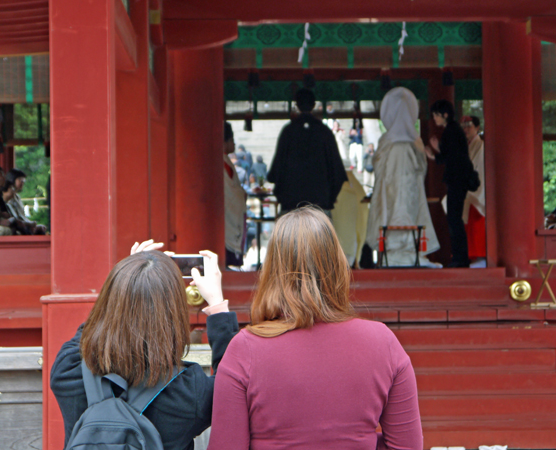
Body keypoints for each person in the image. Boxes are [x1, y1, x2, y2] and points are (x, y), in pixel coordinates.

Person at [207, 208, 422, 450]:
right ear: (338, 266)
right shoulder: (383, 342)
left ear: (271, 272)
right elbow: (406, 446)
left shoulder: (245, 349)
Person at [51, 243, 238, 450]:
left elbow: (91, 331)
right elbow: (233, 385)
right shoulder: (189, 393)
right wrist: (218, 305)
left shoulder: (68, 370)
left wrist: (128, 278)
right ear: (173, 313)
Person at [367, 87, 440, 267]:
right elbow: (422, 169)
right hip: (410, 192)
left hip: (389, 192)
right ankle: (407, 251)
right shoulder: (414, 141)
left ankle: (393, 253)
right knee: (409, 215)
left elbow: (377, 167)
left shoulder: (386, 141)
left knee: (390, 215)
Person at [267, 88, 347, 215]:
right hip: (320, 205)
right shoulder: (324, 132)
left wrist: (284, 196)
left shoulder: (288, 131)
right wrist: (328, 199)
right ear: (314, 105)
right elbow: (338, 173)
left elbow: (275, 173)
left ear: (297, 105)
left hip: (291, 205)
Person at [425, 99, 474, 267]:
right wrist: (438, 149)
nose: (435, 119)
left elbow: (452, 157)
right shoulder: (452, 130)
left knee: (454, 219)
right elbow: (452, 154)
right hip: (458, 180)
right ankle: (459, 257)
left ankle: (460, 258)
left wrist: (434, 155)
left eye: (436, 115)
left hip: (457, 180)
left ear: (445, 115)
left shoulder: (452, 131)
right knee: (454, 219)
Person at [460, 116, 486, 265]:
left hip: (476, 194)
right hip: (466, 193)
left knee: (476, 226)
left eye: (469, 126)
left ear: (477, 128)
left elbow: (479, 171)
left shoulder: (480, 146)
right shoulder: (466, 146)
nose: (465, 129)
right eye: (463, 126)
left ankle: (479, 259)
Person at [224, 122, 247, 267]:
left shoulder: (225, 161)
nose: (234, 143)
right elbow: (232, 192)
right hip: (227, 217)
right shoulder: (222, 162)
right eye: (232, 139)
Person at [5, 168, 47, 235]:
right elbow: (16, 218)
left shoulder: (17, 197)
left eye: (23, 180)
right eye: (20, 179)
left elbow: (22, 216)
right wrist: (30, 224)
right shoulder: (7, 197)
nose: (22, 182)